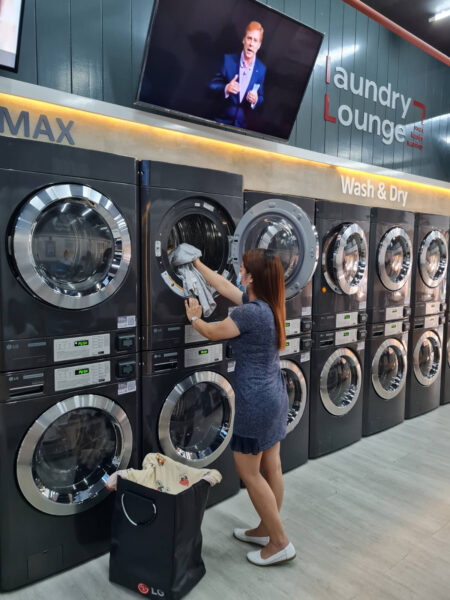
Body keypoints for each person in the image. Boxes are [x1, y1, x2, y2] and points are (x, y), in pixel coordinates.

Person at [184, 249, 295, 566]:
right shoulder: (270, 306)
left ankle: (279, 542)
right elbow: (222, 285)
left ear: (251, 277)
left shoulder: (248, 314)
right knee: (271, 466)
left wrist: (194, 316)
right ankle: (265, 529)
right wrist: (196, 263)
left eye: (243, 268)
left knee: (249, 473)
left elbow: (212, 331)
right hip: (274, 396)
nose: (238, 272)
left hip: (255, 403)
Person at [209, 21, 266, 130]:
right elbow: (211, 85)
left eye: (255, 40)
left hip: (241, 129)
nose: (251, 44)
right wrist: (226, 88)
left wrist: (255, 100)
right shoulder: (228, 60)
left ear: (259, 45)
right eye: (249, 38)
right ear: (243, 39)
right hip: (219, 124)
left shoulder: (261, 69)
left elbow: (261, 97)